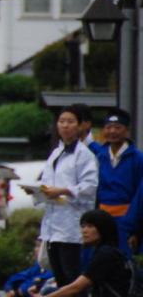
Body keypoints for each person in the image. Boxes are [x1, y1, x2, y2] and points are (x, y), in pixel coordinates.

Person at [36, 106, 99, 287]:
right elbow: (48, 183)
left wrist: (63, 190)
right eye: (61, 121)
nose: (65, 126)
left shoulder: (84, 155)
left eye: (70, 122)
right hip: (53, 225)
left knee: (70, 275)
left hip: (71, 225)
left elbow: (90, 186)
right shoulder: (56, 152)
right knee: (58, 275)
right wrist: (38, 191)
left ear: (80, 126)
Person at [92, 108, 143, 255]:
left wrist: (135, 229)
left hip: (126, 220)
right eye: (108, 127)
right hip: (101, 219)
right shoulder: (99, 156)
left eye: (117, 127)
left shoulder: (137, 159)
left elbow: (139, 196)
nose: (112, 131)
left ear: (126, 131)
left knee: (122, 261)